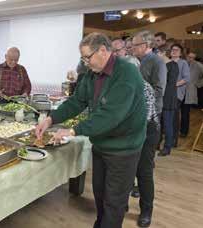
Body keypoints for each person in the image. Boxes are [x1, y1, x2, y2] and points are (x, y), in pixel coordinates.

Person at [36, 32, 147, 228]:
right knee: (100, 194)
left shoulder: (127, 73)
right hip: (102, 144)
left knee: (114, 202)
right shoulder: (91, 74)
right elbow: (76, 101)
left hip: (124, 149)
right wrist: (51, 119)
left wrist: (72, 131)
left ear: (103, 51)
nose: (85, 62)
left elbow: (110, 116)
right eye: (83, 58)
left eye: (87, 57)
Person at [113, 36, 160, 227]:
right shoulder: (120, 87)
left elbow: (142, 118)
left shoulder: (145, 88)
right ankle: (122, 204)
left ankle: (146, 211)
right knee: (125, 171)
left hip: (147, 132)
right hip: (128, 132)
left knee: (143, 172)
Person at [157, 45, 179, 156]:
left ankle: (167, 148)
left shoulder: (173, 65)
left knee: (168, 125)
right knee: (159, 124)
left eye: (158, 53)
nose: (156, 56)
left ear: (163, 53)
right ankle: (157, 144)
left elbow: (170, 85)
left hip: (169, 99)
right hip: (161, 98)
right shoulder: (162, 65)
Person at [170, 44, 190, 143]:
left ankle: (174, 140)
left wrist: (175, 84)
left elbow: (186, 78)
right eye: (172, 49)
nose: (174, 51)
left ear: (181, 53)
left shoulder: (183, 63)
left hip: (177, 93)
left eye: (176, 50)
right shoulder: (167, 62)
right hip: (167, 93)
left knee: (174, 116)